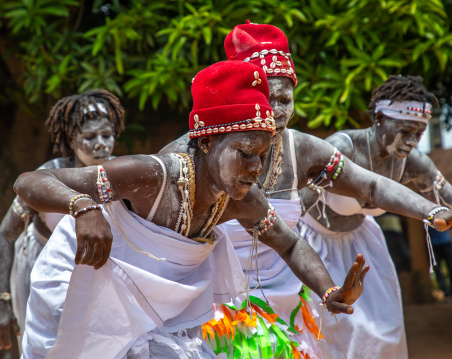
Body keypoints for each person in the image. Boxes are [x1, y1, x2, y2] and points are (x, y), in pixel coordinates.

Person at [159, 23, 452, 358]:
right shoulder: (196, 151)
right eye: (269, 99)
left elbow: (369, 184)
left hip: (283, 301)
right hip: (209, 304)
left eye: (286, 99)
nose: (278, 111)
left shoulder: (302, 150)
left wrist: (431, 211)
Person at [13, 61, 369, 359]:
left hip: (158, 312)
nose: (256, 168)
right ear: (209, 141)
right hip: (80, 280)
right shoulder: (153, 176)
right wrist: (84, 207)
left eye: (261, 157)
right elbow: (28, 182)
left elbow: (290, 244)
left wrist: (328, 292)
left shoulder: (242, 198)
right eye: (245, 154)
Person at [298, 75, 452, 358]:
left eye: (418, 135)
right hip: (313, 246)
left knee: (384, 332)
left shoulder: (413, 162)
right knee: (325, 335)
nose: (411, 141)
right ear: (380, 117)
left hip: (364, 250)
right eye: (405, 131)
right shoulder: (341, 149)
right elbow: (295, 210)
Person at [0, 89, 125, 351]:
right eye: (89, 137)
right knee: (44, 345)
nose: (101, 144)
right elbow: (6, 234)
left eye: (107, 135)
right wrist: (2, 301)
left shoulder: (124, 173)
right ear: (71, 138)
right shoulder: (49, 177)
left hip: (97, 268)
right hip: (38, 268)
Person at [428, 227, 452, 303]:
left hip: (446, 242)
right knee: (437, 270)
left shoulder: (444, 214)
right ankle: (446, 294)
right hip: (433, 244)